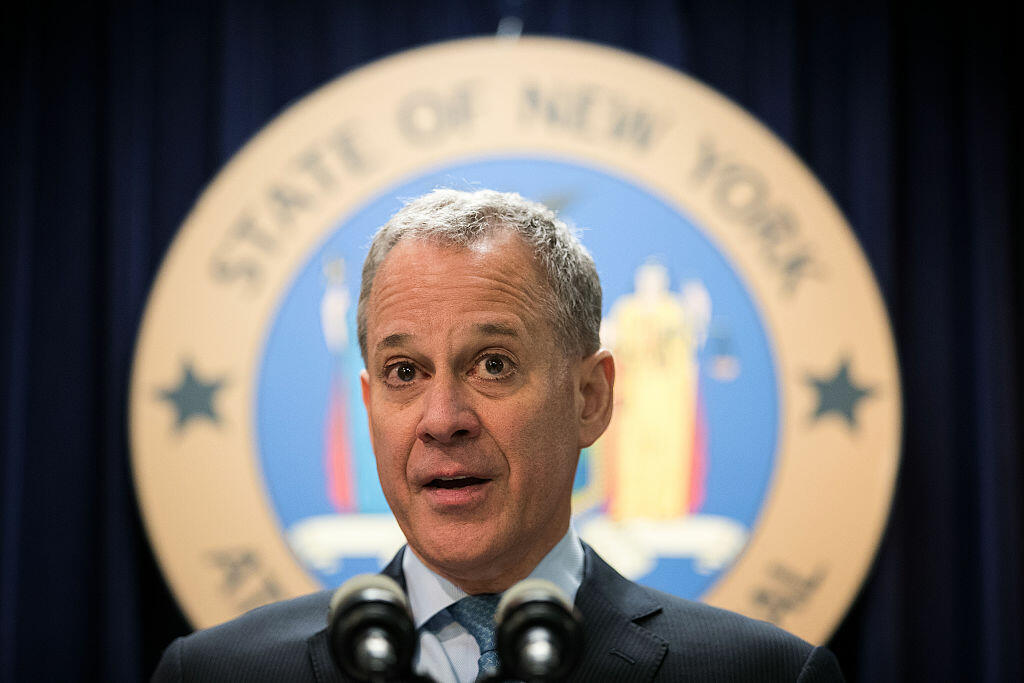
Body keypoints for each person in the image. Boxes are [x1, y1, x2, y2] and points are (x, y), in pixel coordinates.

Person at [153, 189, 844, 682]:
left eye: (493, 364)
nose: (442, 417)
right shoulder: (215, 672)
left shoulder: (767, 673)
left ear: (589, 398)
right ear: (368, 404)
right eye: (404, 371)